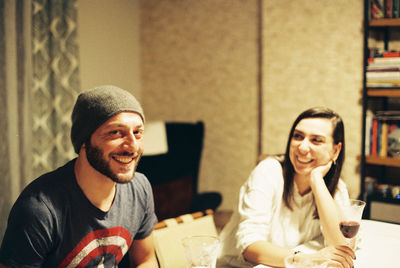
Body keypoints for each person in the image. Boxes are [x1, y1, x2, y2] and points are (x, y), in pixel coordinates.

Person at [0, 85, 159, 267]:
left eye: (137, 132)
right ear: (84, 140)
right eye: (115, 132)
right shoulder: (39, 209)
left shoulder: (140, 188)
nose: (132, 146)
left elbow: (146, 259)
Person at [217, 107, 356, 268]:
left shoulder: (335, 186)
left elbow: (341, 248)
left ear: (336, 150)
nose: (303, 147)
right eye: (298, 136)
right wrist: (302, 259)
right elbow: (249, 245)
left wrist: (317, 180)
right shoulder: (268, 172)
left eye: (316, 140)